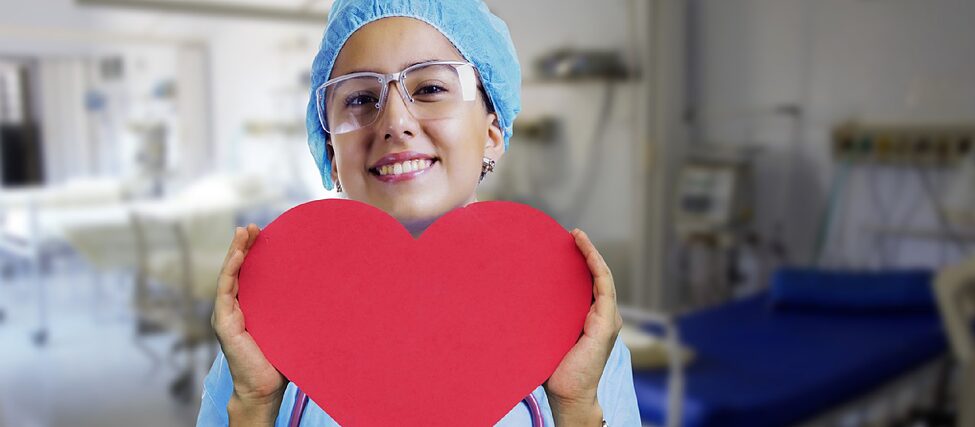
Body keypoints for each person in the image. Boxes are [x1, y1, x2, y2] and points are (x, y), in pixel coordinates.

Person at [196, 0, 641, 425]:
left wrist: (576, 407)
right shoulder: (272, 318)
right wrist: (255, 405)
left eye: (430, 88)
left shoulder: (569, 316)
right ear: (331, 152)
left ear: (491, 133)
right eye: (359, 99)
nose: (394, 121)